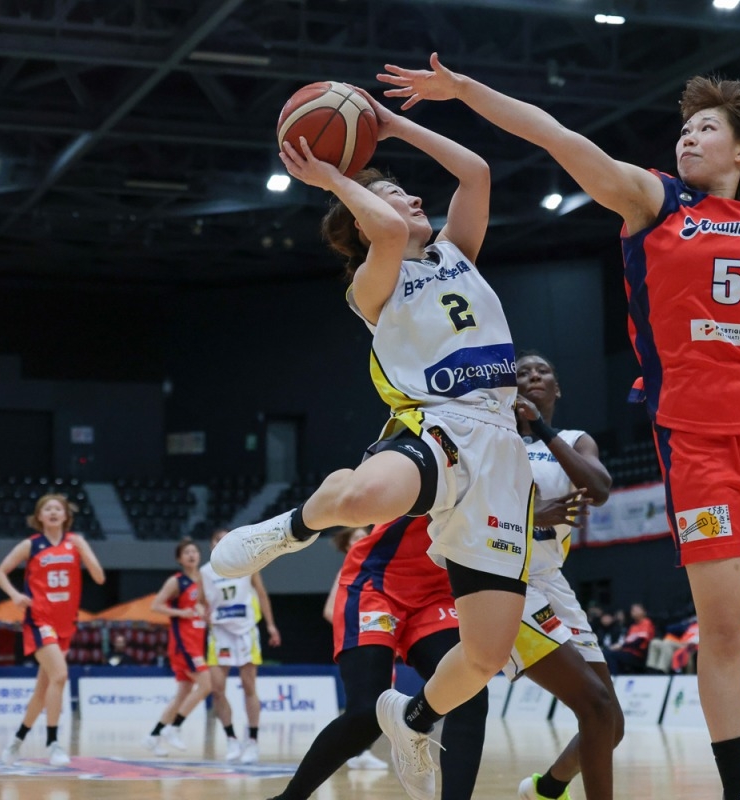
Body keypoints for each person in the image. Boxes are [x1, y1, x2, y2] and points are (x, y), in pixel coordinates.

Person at [376, 55, 740, 800]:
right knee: (725, 626)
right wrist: (461, 92)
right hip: (696, 442)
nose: (688, 137)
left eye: (706, 128)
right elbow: (555, 136)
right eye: (684, 128)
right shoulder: (653, 200)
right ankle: (736, 787)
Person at [212, 91, 534, 800]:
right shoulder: (373, 283)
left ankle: (414, 722)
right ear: (359, 223)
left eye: (406, 192)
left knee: (484, 657)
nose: (410, 199)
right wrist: (331, 176)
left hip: (502, 451)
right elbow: (386, 228)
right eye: (389, 195)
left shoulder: (457, 253)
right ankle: (288, 529)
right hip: (439, 424)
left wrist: (392, 125)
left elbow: (476, 171)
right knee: (363, 498)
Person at [268, 516, 487, 800]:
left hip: (436, 593)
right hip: (377, 583)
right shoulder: (448, 485)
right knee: (366, 713)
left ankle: (411, 720)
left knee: (469, 692)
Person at [511, 352, 623, 800]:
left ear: (557, 388)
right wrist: (533, 515)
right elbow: (471, 512)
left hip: (552, 580)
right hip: (506, 578)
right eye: (523, 372)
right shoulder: (494, 442)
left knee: (610, 723)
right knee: (594, 707)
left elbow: (599, 489)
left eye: (542, 371)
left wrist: (540, 427)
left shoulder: (575, 440)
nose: (533, 375)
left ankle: (547, 789)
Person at [0, 494, 105, 766]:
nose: (54, 512)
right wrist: (14, 595)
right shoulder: (31, 545)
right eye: (48, 509)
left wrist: (85, 551)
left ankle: (16, 741)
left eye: (58, 508)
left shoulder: (75, 542)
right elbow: (0, 572)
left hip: (66, 624)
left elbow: (100, 578)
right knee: (60, 675)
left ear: (66, 516)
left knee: (43, 690)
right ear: (40, 516)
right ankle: (53, 743)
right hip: (39, 620)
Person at [199, 527, 281, 763]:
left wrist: (271, 625)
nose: (221, 542)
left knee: (249, 686)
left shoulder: (249, 565)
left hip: (245, 631)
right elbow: (200, 602)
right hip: (219, 633)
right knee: (217, 690)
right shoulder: (205, 572)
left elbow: (262, 595)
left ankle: (252, 741)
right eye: (217, 539)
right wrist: (201, 612)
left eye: (225, 539)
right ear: (211, 545)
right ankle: (231, 739)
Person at [321, 525, 389, 772]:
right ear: (348, 544)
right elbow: (330, 610)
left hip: (380, 641)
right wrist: (356, 628)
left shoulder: (377, 566)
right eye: (357, 537)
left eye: (365, 536)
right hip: (359, 643)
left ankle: (361, 750)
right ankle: (356, 751)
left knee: (379, 700)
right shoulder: (347, 571)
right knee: (362, 702)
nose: (363, 539)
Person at [145, 538, 212, 757]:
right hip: (183, 643)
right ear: (179, 559)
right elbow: (155, 606)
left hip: (197, 641)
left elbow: (202, 607)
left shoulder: (204, 579)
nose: (192, 555)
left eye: (194, 551)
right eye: (187, 553)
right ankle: (174, 727)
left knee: (182, 694)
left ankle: (153, 735)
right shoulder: (176, 581)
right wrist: (180, 613)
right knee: (206, 685)